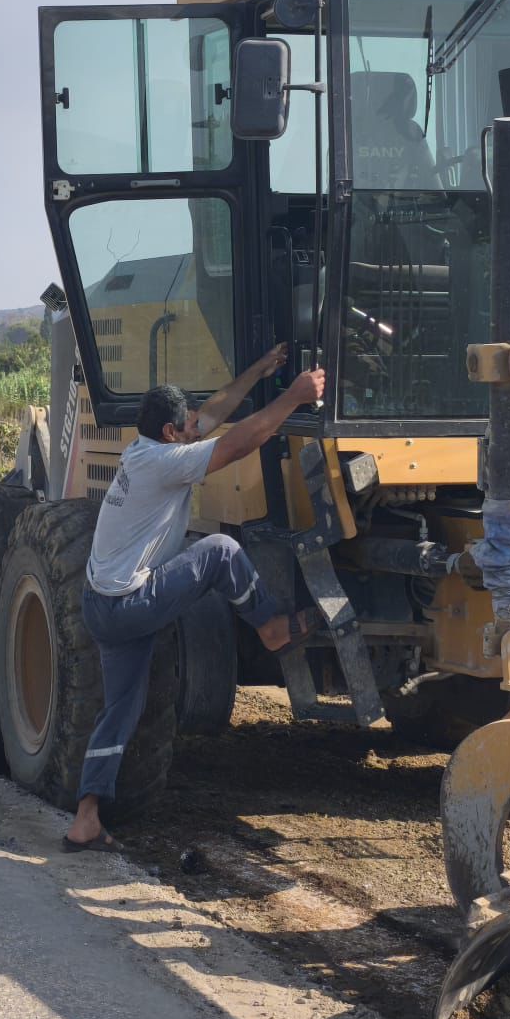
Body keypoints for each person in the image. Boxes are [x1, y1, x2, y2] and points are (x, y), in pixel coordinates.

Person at [65, 346, 327, 851]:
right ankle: (271, 626)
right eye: (187, 423)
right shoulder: (166, 463)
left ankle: (86, 819)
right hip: (126, 604)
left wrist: (258, 367)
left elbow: (214, 414)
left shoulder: (144, 450)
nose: (195, 425)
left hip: (101, 604)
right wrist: (293, 397)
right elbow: (238, 443)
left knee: (120, 708)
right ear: (171, 434)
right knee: (220, 552)